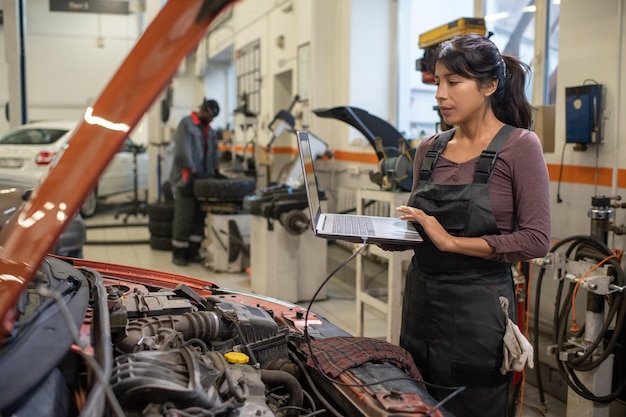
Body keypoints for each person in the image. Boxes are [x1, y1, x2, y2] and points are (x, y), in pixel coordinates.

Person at [387, 34, 551, 417]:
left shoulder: (520, 146)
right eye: (438, 82)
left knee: (472, 403)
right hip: (420, 305)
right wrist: (381, 234)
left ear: (489, 86)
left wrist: (454, 243)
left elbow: (537, 239)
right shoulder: (430, 148)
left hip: (478, 312)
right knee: (415, 400)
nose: (440, 94)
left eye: (453, 82)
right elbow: (423, 230)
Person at [169, 98, 220, 266]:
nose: (211, 120)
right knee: (184, 217)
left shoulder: (210, 131)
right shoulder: (186, 124)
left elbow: (212, 154)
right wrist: (192, 169)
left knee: (199, 218)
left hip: (203, 181)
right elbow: (182, 151)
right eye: (210, 116)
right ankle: (179, 253)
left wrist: (213, 173)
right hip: (187, 179)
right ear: (204, 110)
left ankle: (193, 251)